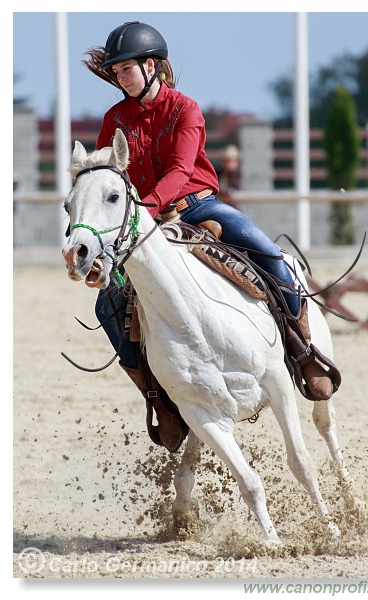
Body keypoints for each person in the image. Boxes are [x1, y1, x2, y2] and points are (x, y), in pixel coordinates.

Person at [84, 21, 336, 451]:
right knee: (107, 305)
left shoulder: (186, 109)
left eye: (126, 69)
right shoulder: (114, 119)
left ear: (152, 66)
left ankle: (301, 350)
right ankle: (159, 397)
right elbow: (108, 174)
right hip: (140, 225)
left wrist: (146, 206)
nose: (120, 78)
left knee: (272, 258)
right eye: (116, 71)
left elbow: (182, 171)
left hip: (196, 205)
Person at [215, 144, 241, 209]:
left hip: (231, 206)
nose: (229, 164)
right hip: (217, 204)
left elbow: (233, 191)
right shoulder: (217, 172)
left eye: (233, 161)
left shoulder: (236, 175)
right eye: (227, 161)